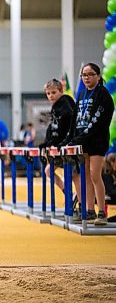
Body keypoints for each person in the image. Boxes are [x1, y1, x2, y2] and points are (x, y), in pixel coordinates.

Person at [62, 63, 115, 225]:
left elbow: (98, 121)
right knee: (84, 176)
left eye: (90, 74)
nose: (86, 78)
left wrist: (81, 138)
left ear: (98, 76)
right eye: (84, 75)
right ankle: (89, 210)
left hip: (97, 141)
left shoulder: (103, 94)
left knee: (94, 175)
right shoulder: (82, 94)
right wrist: (70, 139)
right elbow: (75, 121)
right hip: (81, 143)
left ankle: (101, 212)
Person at [38, 78, 77, 201]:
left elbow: (70, 125)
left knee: (74, 175)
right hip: (58, 146)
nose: (50, 96)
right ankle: (69, 193)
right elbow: (53, 127)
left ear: (61, 91)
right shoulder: (55, 107)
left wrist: (63, 143)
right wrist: (47, 143)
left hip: (68, 146)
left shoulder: (65, 103)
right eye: (48, 93)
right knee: (49, 171)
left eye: (53, 92)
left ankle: (82, 202)